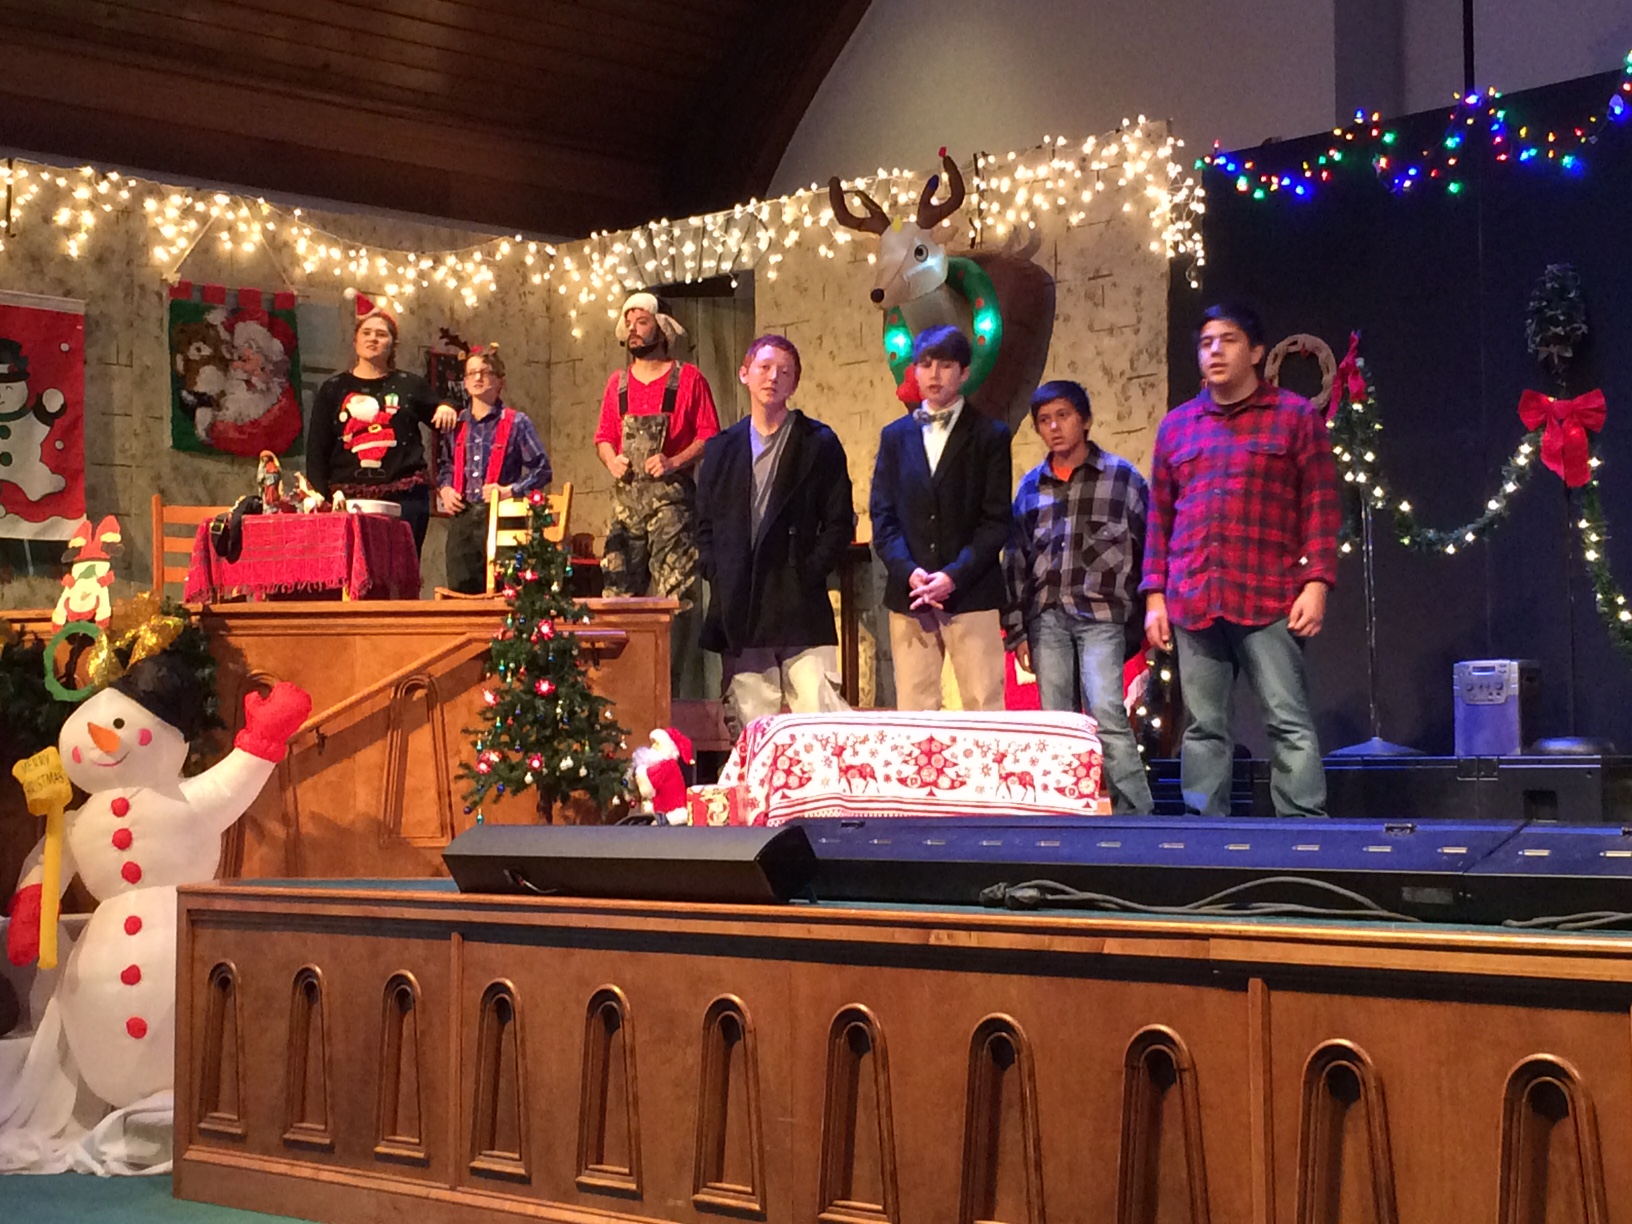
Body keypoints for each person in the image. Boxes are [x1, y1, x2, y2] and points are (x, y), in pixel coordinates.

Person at [1142, 302, 1340, 817]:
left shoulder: (1295, 417)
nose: (1214, 351)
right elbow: (1159, 517)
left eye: (1227, 340)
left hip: (1269, 593)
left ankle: (1304, 829)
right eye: (1206, 343)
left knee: (1287, 719)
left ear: (1255, 351)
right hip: (1193, 595)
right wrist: (1155, 596)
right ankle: (1205, 836)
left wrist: (1316, 582)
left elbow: (1320, 504)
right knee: (1204, 725)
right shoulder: (1177, 426)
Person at [1004, 380, 1154, 814]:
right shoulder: (1031, 486)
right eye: (1044, 421)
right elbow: (1016, 560)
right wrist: (1017, 632)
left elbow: (1148, 549)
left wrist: (1141, 614)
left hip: (1102, 615)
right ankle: (1065, 812)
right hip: (1046, 617)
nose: (1054, 427)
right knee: (1058, 723)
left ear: (1085, 420)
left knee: (1108, 713)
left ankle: (1137, 818)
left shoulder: (1122, 478)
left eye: (1063, 416)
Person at [695, 335, 853, 737]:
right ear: (744, 373)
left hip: (800, 600)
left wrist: (809, 571)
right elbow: (705, 526)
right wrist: (719, 572)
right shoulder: (721, 449)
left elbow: (838, 522)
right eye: (765, 367)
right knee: (753, 730)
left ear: (795, 384)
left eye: (785, 372)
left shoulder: (818, 443)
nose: (773, 378)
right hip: (742, 604)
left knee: (819, 721)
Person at [870, 325, 1012, 711]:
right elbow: (882, 518)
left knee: (984, 705)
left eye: (946, 365)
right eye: (926, 365)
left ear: (964, 373)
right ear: (914, 372)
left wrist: (953, 576)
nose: (934, 375)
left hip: (972, 591)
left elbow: (996, 520)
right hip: (911, 595)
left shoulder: (990, 435)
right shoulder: (895, 436)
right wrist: (908, 571)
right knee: (916, 709)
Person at [594, 292, 720, 608]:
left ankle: (676, 659)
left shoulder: (688, 378)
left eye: (642, 322)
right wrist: (612, 460)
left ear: (662, 328)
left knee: (677, 598)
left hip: (672, 506)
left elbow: (709, 435)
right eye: (629, 323)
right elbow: (604, 437)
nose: (633, 329)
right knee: (617, 595)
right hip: (625, 508)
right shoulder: (617, 383)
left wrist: (674, 460)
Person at [305, 291, 457, 550]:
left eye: (381, 334)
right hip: (347, 499)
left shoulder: (409, 385)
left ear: (392, 344)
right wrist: (323, 498)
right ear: (355, 342)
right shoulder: (333, 389)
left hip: (405, 498)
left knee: (402, 573)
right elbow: (317, 451)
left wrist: (447, 405)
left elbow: (445, 417)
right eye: (366, 332)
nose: (373, 338)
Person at [434, 345, 553, 595]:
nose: (478, 378)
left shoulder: (517, 422)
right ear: (465, 382)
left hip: (505, 518)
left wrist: (510, 490)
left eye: (485, 372)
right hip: (463, 518)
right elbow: (446, 465)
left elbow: (542, 470)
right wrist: (445, 489)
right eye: (472, 373)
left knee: (506, 588)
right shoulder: (457, 424)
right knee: (461, 588)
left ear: (500, 381)